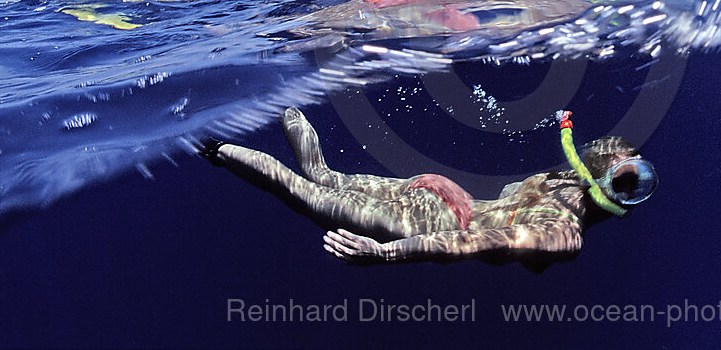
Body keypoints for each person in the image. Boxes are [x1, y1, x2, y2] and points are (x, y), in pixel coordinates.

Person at [203, 107, 657, 265]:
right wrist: (385, 253)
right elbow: (472, 239)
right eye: (629, 188)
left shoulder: (551, 180)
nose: (630, 201)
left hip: (441, 190)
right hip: (439, 219)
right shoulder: (564, 234)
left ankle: (285, 105)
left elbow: (501, 207)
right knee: (310, 197)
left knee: (324, 176)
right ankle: (208, 145)